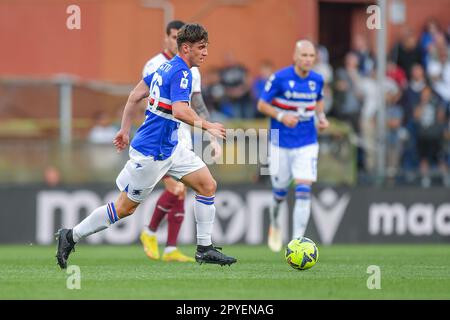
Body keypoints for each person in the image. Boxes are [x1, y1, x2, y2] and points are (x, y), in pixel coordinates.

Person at [55, 23, 237, 269]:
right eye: (201, 48)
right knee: (124, 208)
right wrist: (208, 126)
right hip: (152, 152)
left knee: (207, 185)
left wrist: (124, 129)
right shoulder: (182, 72)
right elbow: (180, 110)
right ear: (186, 48)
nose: (205, 53)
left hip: (170, 147)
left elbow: (134, 95)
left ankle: (204, 249)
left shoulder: (166, 66)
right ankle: (71, 235)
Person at [140, 20, 221, 263]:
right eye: (173, 36)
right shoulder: (155, 65)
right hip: (160, 134)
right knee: (175, 189)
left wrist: (210, 136)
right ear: (168, 38)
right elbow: (144, 97)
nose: (177, 41)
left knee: (185, 190)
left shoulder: (192, 69)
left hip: (183, 132)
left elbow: (197, 103)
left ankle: (171, 248)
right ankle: (150, 231)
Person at [257, 40, 329, 252]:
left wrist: (321, 117)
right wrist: (281, 115)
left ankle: (297, 242)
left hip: (307, 142)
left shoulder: (317, 80)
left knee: (304, 189)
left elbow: (319, 100)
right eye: (304, 55)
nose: (308, 59)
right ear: (295, 57)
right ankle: (276, 224)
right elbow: (261, 104)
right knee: (279, 193)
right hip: (280, 141)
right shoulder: (280, 77)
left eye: (311, 56)